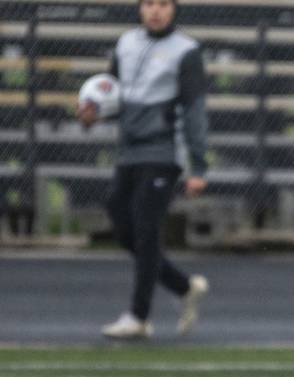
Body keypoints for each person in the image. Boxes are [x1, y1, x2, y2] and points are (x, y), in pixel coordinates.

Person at [77, 0, 209, 339]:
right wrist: (93, 114)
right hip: (129, 152)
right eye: (149, 3)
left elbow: (194, 111)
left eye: (164, 4)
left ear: (174, 9)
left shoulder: (186, 52)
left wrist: (198, 166)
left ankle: (139, 316)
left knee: (147, 226)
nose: (156, 11)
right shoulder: (126, 44)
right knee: (123, 228)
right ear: (139, 9)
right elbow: (111, 95)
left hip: (165, 152)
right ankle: (183, 287)